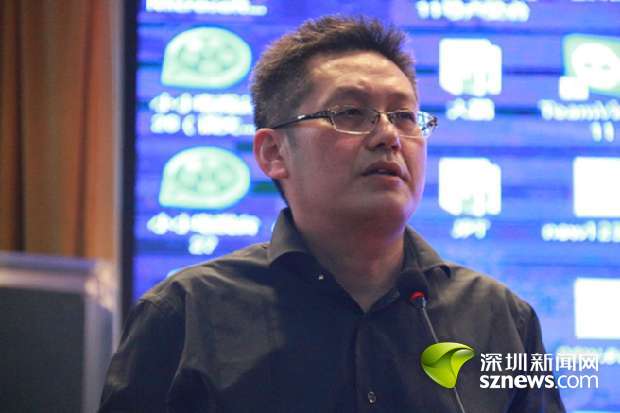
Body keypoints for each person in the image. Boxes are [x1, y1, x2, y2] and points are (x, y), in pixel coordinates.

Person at [99, 16, 565, 412]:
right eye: (351, 113)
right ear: (274, 153)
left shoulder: (500, 318)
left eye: (404, 116)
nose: (389, 136)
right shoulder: (186, 314)